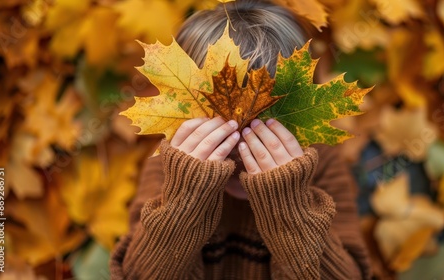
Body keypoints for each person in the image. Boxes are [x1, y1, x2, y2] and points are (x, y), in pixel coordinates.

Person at [110, 0, 371, 279]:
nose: (240, 149)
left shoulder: (321, 166)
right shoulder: (170, 166)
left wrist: (289, 206)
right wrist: (183, 201)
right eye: (218, 122)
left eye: (263, 127)